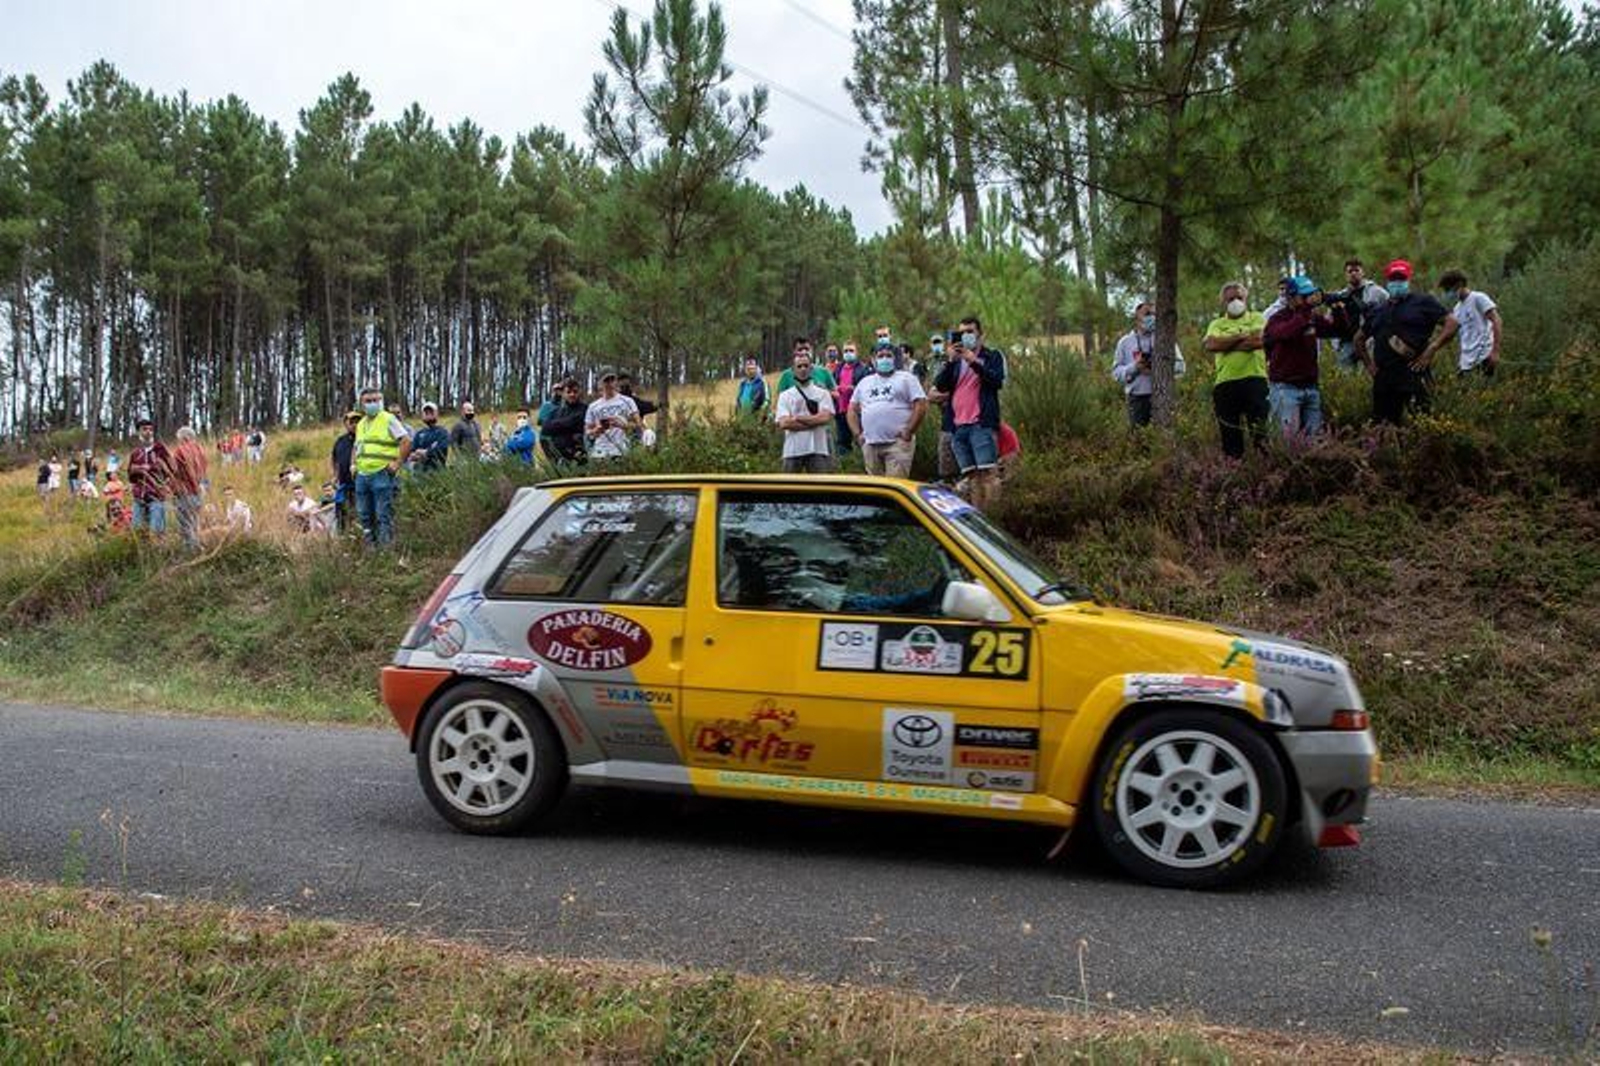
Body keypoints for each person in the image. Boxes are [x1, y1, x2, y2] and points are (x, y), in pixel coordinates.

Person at [1359, 259, 1451, 425]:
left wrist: (1432, 349)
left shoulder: (1423, 302)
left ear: (1409, 280)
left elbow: (1452, 323)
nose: (1397, 283)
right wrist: (1369, 365)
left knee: (1422, 423)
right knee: (1383, 426)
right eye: (1393, 279)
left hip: (1414, 373)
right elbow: (1358, 338)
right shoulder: (1379, 310)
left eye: (1401, 279)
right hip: (1384, 378)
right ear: (1387, 281)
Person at [932, 316, 1007, 510]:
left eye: (970, 331)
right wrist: (950, 361)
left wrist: (973, 361)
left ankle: (995, 518)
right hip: (958, 426)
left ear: (980, 334)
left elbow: (996, 381)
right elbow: (940, 385)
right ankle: (979, 518)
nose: (965, 336)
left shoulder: (992, 356)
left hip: (981, 424)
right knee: (972, 477)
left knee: (988, 474)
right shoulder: (955, 362)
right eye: (962, 332)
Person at [1262, 276, 1342, 441]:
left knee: (1314, 441)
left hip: (1311, 387)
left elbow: (1336, 330)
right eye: (1304, 296)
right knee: (1287, 442)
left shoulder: (1311, 317)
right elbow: (1287, 333)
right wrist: (1305, 310)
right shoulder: (1277, 319)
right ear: (1290, 297)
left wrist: (1337, 308)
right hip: (1285, 388)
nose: (1308, 299)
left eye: (1310, 295)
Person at [1203, 282, 1270, 458]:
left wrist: (1226, 344)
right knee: (1230, 436)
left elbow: (1260, 341)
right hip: (1225, 384)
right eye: (1230, 299)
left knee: (1260, 432)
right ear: (1223, 302)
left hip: (1255, 380)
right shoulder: (1217, 323)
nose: (1235, 302)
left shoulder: (1257, 318)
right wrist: (1240, 337)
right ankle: (1235, 473)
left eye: (1239, 298)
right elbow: (1211, 344)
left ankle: (1265, 472)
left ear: (1246, 298)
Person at [848, 344, 927, 478]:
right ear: (873, 360)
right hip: (870, 444)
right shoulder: (864, 382)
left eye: (888, 356)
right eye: (880, 356)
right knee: (875, 489)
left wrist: (909, 430)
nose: (884, 359)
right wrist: (857, 434)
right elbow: (851, 410)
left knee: (895, 486)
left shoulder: (907, 378)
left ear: (895, 359)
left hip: (897, 443)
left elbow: (921, 404)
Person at [352, 386, 412, 548]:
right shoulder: (361, 423)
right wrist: (353, 465)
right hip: (362, 475)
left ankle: (386, 550)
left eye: (375, 400)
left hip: (381, 474)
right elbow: (357, 446)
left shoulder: (388, 419)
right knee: (364, 515)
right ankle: (371, 548)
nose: (372, 404)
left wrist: (397, 463)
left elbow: (406, 441)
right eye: (368, 401)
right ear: (361, 404)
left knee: (383, 514)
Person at [1111, 301, 1187, 428]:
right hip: (1137, 400)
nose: (1151, 317)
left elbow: (1181, 367)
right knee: (1140, 441)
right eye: (1147, 314)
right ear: (1136, 317)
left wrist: (1158, 368)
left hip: (1162, 397)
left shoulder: (1165, 340)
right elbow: (1116, 373)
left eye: (1154, 314)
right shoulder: (1125, 342)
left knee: (1163, 437)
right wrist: (1135, 367)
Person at [775, 351, 837, 473]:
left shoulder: (823, 393)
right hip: (792, 451)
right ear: (793, 370)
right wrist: (814, 422)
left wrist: (797, 418)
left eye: (806, 366)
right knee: (790, 488)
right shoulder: (785, 396)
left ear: (811, 368)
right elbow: (784, 423)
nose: (803, 369)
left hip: (818, 449)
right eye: (799, 366)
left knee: (819, 488)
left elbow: (825, 418)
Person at [1438, 269, 1501, 379]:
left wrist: (1495, 351)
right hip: (1466, 361)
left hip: (1483, 356)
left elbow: (1497, 320)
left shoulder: (1478, 298)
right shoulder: (1457, 308)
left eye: (1448, 289)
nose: (1448, 293)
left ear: (1459, 284)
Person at [1330, 259, 1389, 370]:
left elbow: (1391, 308)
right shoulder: (1340, 295)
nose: (1353, 273)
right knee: (1346, 382)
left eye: (1356, 270)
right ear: (1345, 275)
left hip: (1368, 342)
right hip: (1346, 344)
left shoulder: (1376, 291)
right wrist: (1336, 345)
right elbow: (1331, 320)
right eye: (1350, 271)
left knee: (1370, 376)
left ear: (1363, 272)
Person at [127, 418, 174, 534]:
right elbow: (131, 476)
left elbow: (172, 469)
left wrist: (165, 485)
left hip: (156, 495)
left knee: (156, 531)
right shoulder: (136, 453)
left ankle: (158, 551)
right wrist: (137, 469)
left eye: (150, 430)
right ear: (138, 432)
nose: (148, 432)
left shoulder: (160, 449)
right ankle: (141, 551)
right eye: (144, 429)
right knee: (138, 530)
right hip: (139, 496)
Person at [585, 370, 641, 460]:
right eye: (606, 380)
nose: (609, 383)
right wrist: (596, 430)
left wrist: (623, 425)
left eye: (612, 380)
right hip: (599, 452)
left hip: (621, 451)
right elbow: (587, 431)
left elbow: (638, 425)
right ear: (600, 383)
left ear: (616, 381)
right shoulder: (593, 406)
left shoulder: (627, 401)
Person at [170, 425, 209, 550]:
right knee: (194, 522)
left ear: (184, 438)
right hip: (199, 492)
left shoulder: (180, 451)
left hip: (184, 492)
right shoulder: (200, 450)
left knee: (185, 525)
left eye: (179, 438)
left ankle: (190, 552)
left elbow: (174, 471)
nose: (178, 441)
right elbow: (204, 471)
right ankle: (197, 547)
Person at [833, 340, 874, 453]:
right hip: (841, 409)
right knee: (842, 442)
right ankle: (845, 466)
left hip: (857, 410)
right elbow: (832, 385)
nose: (848, 353)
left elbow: (868, 388)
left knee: (860, 439)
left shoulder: (863, 369)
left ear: (857, 353)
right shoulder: (838, 368)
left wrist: (855, 388)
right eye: (846, 351)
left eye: (851, 350)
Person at [541, 379, 588, 463]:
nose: (572, 394)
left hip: (578, 456)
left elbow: (576, 421)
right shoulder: (555, 412)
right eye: (569, 392)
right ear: (563, 393)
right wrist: (566, 424)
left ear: (579, 392)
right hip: (558, 457)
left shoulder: (585, 409)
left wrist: (556, 427)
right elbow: (545, 428)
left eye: (575, 391)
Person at [330, 411, 359, 533]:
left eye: (357, 421)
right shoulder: (340, 441)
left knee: (358, 514)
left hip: (359, 484)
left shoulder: (364, 438)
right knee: (341, 513)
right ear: (346, 424)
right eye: (351, 422)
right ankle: (343, 538)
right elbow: (334, 459)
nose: (354, 424)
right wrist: (335, 476)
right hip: (343, 485)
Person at [410, 402, 450, 471]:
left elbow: (441, 449)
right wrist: (417, 454)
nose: (428, 414)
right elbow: (412, 452)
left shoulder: (443, 432)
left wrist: (426, 452)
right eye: (426, 412)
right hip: (419, 473)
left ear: (436, 414)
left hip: (437, 473)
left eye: (431, 412)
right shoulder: (419, 433)